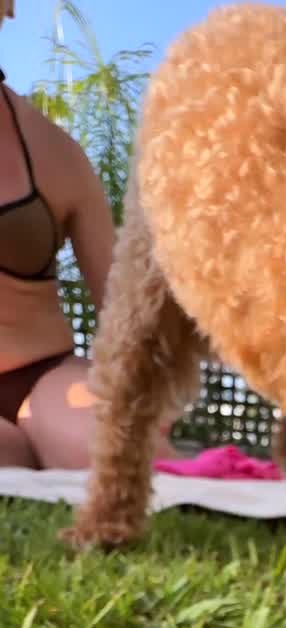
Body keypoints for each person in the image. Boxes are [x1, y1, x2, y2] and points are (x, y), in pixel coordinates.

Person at [0, 0, 173, 468]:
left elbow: (124, 310)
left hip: (43, 377)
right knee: (7, 452)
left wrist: (148, 391)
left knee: (121, 455)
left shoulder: (56, 154)